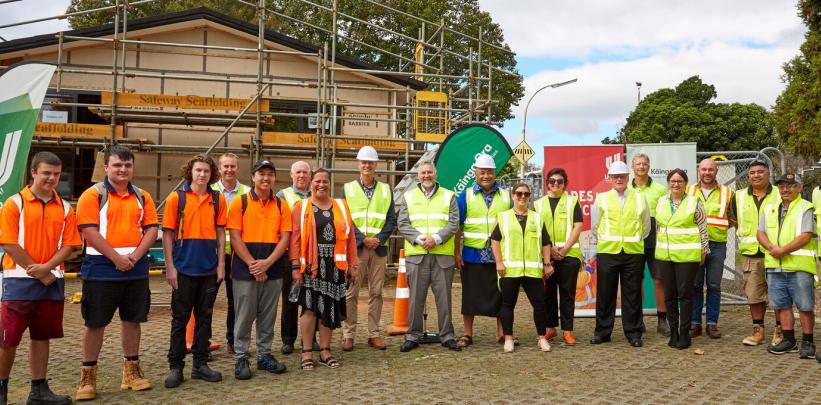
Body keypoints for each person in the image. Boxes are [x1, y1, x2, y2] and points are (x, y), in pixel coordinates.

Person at [75, 145, 158, 400]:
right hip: (101, 269)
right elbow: (89, 231)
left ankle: (131, 371)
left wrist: (133, 257)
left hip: (135, 269)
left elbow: (152, 229)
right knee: (95, 322)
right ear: (107, 167)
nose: (123, 170)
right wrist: (116, 258)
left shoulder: (143, 196)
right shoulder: (92, 195)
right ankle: (87, 377)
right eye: (117, 165)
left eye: (127, 165)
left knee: (133, 320)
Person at [0, 152, 81, 405]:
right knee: (7, 339)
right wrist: (40, 271)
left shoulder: (66, 208)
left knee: (41, 336)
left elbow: (70, 246)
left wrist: (47, 269)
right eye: (46, 173)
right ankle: (2, 391)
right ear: (33, 172)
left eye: (56, 174)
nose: (51, 178)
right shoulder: (14, 203)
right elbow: (8, 243)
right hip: (18, 282)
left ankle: (39, 391)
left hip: (51, 281)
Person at [162, 155, 227, 388]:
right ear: (190, 172)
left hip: (209, 270)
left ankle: (200, 365)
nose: (202, 175)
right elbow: (167, 235)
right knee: (179, 320)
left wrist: (221, 264)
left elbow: (221, 234)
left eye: (206, 171)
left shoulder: (217, 200)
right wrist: (170, 267)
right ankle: (176, 367)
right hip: (183, 270)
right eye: (198, 170)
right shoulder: (175, 199)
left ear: (212, 175)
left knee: (205, 319)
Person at [290, 169, 359, 370]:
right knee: (310, 308)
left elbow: (351, 237)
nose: (321, 184)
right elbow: (294, 239)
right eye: (317, 181)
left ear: (330, 183)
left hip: (335, 266)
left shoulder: (341, 205)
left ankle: (325, 350)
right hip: (311, 266)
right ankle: (306, 352)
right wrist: (295, 267)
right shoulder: (301, 207)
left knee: (329, 308)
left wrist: (352, 265)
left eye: (325, 181)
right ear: (311, 183)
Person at [228, 160, 291, 378]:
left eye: (270, 174)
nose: (266, 178)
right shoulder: (240, 202)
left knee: (268, 316)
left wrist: (267, 263)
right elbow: (235, 237)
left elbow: (285, 238)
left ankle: (264, 356)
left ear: (275, 178)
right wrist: (254, 265)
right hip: (245, 270)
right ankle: (241, 357)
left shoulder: (282, 205)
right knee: (244, 315)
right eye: (261, 174)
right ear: (253, 177)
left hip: (273, 270)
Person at [397, 161, 461, 353]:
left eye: (429, 172)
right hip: (417, 254)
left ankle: (447, 335)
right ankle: (412, 336)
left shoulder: (449, 195)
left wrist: (436, 238)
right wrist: (419, 238)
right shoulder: (408, 196)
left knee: (444, 299)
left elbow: (454, 222)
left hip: (442, 254)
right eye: (423, 172)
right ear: (418, 176)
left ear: (436, 174)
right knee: (416, 298)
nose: (426, 175)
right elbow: (402, 223)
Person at [590, 160, 650, 347]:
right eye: (615, 176)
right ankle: (602, 332)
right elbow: (594, 226)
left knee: (632, 295)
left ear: (628, 177)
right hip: (608, 251)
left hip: (633, 252)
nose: (619, 179)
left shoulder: (640, 198)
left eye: (622, 176)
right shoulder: (601, 198)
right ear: (609, 178)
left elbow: (646, 226)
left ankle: (633, 333)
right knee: (605, 294)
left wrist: (635, 238)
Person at [341, 146, 396, 351]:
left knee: (376, 292)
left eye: (370, 162)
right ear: (359, 164)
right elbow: (344, 218)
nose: (367, 165)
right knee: (351, 293)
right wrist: (362, 238)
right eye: (364, 162)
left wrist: (379, 239)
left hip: (378, 249)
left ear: (376, 165)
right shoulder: (348, 189)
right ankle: (349, 335)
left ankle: (373, 334)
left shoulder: (386, 189)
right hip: (356, 248)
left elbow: (391, 219)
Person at [757, 173, 817, 358]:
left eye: (790, 185)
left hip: (799, 266)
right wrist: (770, 247)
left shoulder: (805, 207)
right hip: (776, 266)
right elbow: (760, 233)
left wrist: (783, 250)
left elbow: (806, 235)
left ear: (799, 188)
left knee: (805, 306)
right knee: (782, 305)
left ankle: (808, 342)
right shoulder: (770, 207)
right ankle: (789, 340)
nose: (785, 189)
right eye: (782, 186)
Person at [490, 183, 553, 353]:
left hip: (533, 271)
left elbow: (546, 242)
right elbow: (494, 240)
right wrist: (499, 262)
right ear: (513, 196)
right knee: (508, 304)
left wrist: (547, 263)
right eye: (519, 193)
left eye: (526, 194)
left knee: (539, 305)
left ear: (530, 196)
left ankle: (541, 338)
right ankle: (508, 338)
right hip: (509, 270)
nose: (522, 197)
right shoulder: (503, 217)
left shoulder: (537, 218)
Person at [454, 154, 509, 348]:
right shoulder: (466, 195)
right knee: (470, 294)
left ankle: (502, 333)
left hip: (499, 255)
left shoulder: (506, 196)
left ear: (495, 173)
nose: (486, 175)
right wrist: (456, 252)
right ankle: (467, 334)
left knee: (501, 294)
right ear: (476, 173)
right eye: (482, 172)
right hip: (472, 254)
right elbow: (457, 225)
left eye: (490, 172)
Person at [654, 169, 709, 350]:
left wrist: (704, 250)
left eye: (679, 181)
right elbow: (658, 228)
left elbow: (702, 228)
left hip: (687, 256)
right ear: (668, 183)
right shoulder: (661, 201)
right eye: (672, 181)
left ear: (685, 184)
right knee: (669, 296)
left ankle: (685, 334)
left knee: (685, 295)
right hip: (665, 256)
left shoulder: (694, 202)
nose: (675, 184)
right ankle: (674, 332)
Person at [729, 160, 781, 346]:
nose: (756, 175)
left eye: (761, 171)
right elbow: (733, 220)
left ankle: (780, 331)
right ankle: (758, 332)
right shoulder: (739, 196)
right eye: (752, 172)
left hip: (776, 252)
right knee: (754, 295)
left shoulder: (780, 193)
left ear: (768, 174)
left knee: (778, 294)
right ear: (748, 176)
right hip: (751, 254)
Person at [535, 167, 583, 346]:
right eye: (552, 181)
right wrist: (551, 251)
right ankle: (550, 328)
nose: (555, 184)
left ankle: (568, 331)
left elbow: (578, 226)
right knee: (547, 294)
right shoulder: (538, 204)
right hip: (547, 255)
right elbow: (537, 228)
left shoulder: (573, 201)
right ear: (547, 183)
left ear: (565, 184)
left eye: (559, 181)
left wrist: (563, 250)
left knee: (567, 294)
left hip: (569, 255)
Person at [687, 158, 733, 339]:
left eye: (710, 170)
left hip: (717, 245)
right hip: (694, 244)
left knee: (714, 285)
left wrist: (716, 230)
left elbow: (732, 218)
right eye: (704, 169)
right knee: (695, 285)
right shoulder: (688, 190)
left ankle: (712, 323)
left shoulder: (728, 192)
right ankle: (695, 323)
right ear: (699, 170)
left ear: (716, 171)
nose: (707, 173)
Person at [211, 153, 250, 354]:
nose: (229, 170)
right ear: (219, 169)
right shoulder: (209, 191)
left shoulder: (247, 193)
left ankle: (233, 341)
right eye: (225, 166)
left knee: (236, 302)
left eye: (233, 166)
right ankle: (203, 343)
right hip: (213, 256)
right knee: (206, 302)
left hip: (237, 256)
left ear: (238, 169)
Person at [628, 153, 669, 336]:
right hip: (633, 241)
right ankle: (638, 321)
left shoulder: (660, 190)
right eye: (638, 164)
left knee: (659, 281)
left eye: (645, 164)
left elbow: (665, 215)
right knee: (636, 282)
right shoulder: (626, 190)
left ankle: (662, 320)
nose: (641, 167)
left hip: (656, 240)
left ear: (649, 166)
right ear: (632, 167)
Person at [277, 160, 315, 355]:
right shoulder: (283, 196)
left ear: (310, 176)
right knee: (290, 298)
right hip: (289, 256)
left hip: (312, 255)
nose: (301, 175)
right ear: (292, 175)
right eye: (298, 172)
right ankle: (288, 339)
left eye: (305, 172)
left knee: (311, 298)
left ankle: (309, 339)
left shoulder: (316, 194)